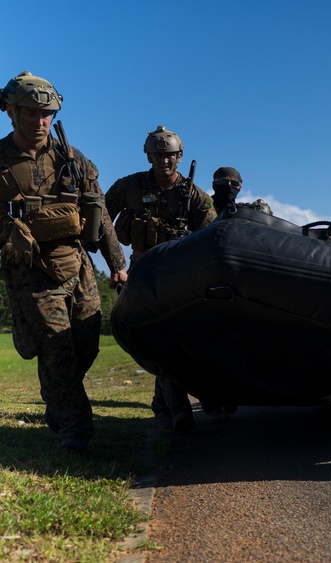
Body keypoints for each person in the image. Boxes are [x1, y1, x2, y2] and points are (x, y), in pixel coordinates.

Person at [0, 71, 128, 453]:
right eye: (32, 113)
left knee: (86, 342)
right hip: (31, 271)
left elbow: (100, 213)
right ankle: (76, 430)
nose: (41, 121)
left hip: (76, 263)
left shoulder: (72, 159)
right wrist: (7, 229)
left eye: (48, 114)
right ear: (11, 111)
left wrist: (118, 264)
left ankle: (57, 398)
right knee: (57, 347)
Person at [105, 125, 216, 431]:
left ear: (179, 157)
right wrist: (115, 265)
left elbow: (213, 235)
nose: (164, 161)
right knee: (157, 341)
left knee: (180, 340)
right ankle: (176, 409)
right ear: (148, 156)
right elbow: (101, 220)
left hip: (180, 277)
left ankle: (179, 405)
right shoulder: (129, 187)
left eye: (169, 156)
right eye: (157, 155)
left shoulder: (194, 196)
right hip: (142, 273)